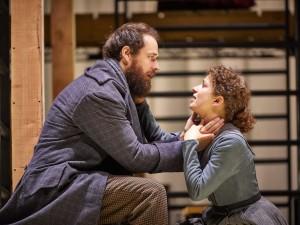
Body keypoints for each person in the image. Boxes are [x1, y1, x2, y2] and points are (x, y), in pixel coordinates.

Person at [0, 22, 224, 225]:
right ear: (127, 54)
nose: (157, 66)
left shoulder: (123, 90)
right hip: (56, 190)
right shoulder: (100, 93)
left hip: (80, 181)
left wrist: (185, 137)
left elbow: (156, 139)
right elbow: (135, 157)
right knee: (149, 193)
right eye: (152, 57)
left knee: (141, 192)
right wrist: (191, 147)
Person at [179, 64, 288, 225]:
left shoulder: (231, 141)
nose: (195, 89)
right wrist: (187, 134)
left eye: (203, 85)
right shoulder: (210, 133)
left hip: (245, 219)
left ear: (217, 100)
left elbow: (197, 191)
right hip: (222, 214)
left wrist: (189, 142)